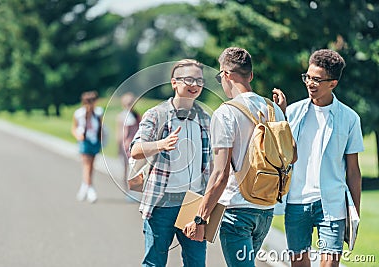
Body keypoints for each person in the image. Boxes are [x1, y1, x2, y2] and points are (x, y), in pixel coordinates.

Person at [183, 47, 288, 267]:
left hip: (237, 210)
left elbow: (221, 174)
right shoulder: (275, 109)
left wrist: (200, 218)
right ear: (250, 75)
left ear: (226, 74)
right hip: (266, 209)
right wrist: (281, 113)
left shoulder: (226, 113)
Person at [279, 49, 364, 267]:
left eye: (317, 79)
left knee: (329, 265)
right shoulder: (292, 111)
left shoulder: (349, 118)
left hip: (332, 203)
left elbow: (353, 171)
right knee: (298, 264)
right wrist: (280, 118)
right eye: (307, 77)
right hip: (296, 201)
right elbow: (281, 153)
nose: (309, 83)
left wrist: (354, 212)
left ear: (332, 83)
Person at [130, 59, 212, 267]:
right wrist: (161, 144)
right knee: (154, 263)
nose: (194, 85)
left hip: (194, 204)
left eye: (199, 81)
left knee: (196, 264)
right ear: (174, 82)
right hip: (162, 204)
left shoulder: (206, 118)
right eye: (189, 79)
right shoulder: (156, 114)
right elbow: (136, 150)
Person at [71, 91, 104, 203]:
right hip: (84, 141)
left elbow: (100, 126)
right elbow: (74, 128)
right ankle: (90, 189)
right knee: (86, 165)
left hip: (94, 141)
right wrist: (78, 135)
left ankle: (84, 186)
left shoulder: (98, 113)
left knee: (91, 166)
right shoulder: (79, 114)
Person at [116, 92, 141, 191]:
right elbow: (119, 133)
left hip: (135, 145)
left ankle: (135, 189)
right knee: (126, 168)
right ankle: (126, 189)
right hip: (125, 146)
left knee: (135, 169)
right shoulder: (121, 116)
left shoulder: (136, 116)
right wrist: (119, 147)